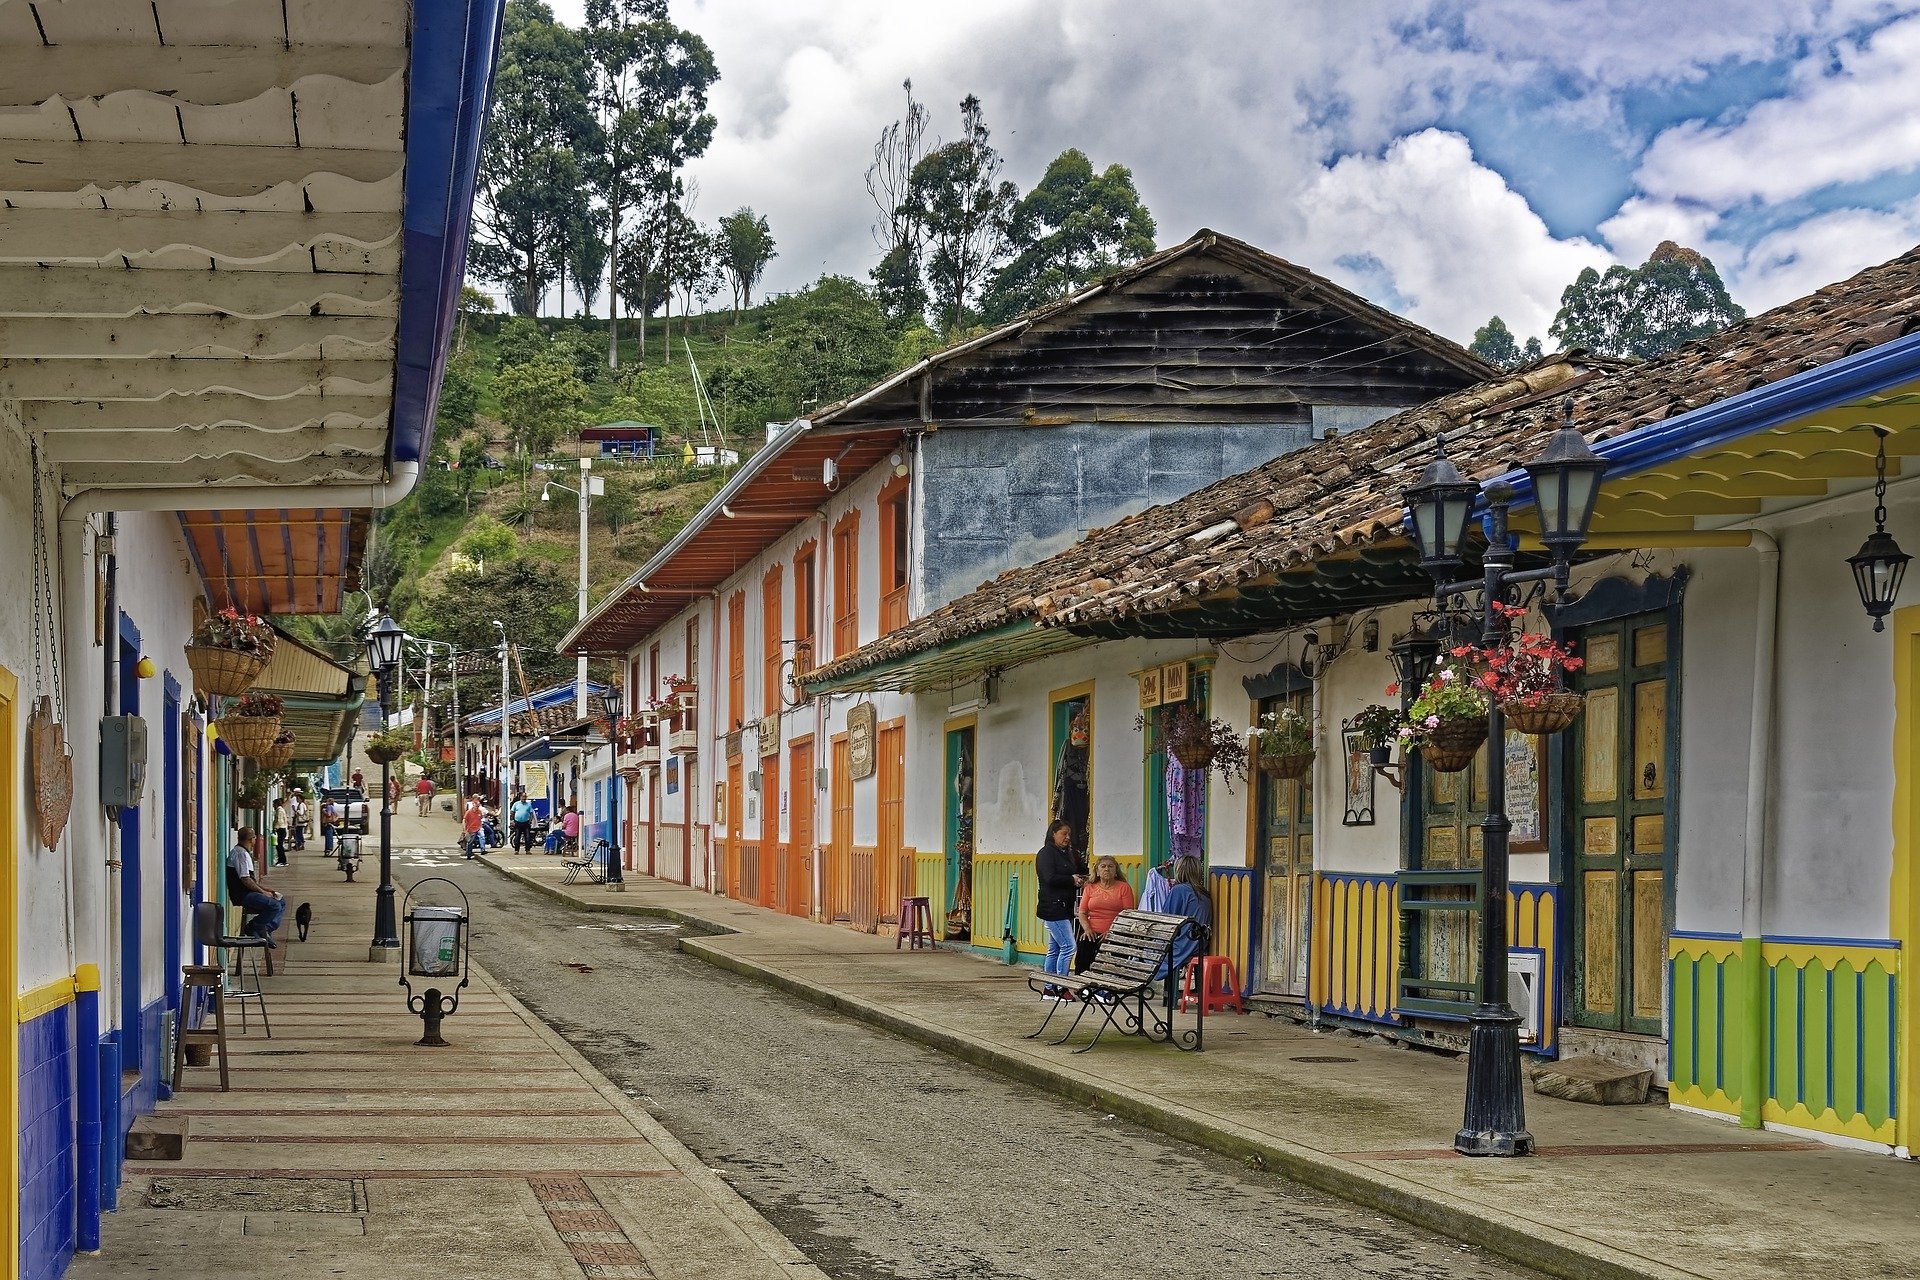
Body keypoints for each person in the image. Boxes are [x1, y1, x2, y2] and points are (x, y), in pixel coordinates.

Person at [1035, 820, 1082, 995]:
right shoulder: (1046, 853)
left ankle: (1049, 988)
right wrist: (1071, 879)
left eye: (1069, 834)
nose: (1067, 837)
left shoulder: (1065, 853)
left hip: (1065, 906)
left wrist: (1078, 880)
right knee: (1069, 947)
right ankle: (1061, 988)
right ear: (1053, 833)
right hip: (1053, 908)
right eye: (1064, 833)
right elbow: (1049, 878)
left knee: (1054, 949)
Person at [1074, 855, 1135, 973]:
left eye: (1111, 866)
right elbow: (1082, 913)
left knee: (1117, 956)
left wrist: (1112, 932)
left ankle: (1112, 987)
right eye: (1103, 866)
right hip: (1093, 931)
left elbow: (1128, 915)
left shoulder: (1124, 888)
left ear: (1116, 871)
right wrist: (1087, 929)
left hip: (1117, 932)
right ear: (1097, 871)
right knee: (1084, 946)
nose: (1107, 869)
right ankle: (1082, 986)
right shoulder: (1090, 888)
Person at [225, 827, 285, 946]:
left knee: (281, 900)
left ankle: (266, 929)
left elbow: (250, 880)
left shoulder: (244, 852)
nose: (255, 839)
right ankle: (254, 927)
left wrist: (264, 889)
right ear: (251, 839)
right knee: (274, 906)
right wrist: (262, 893)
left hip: (249, 892)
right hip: (243, 895)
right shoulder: (240, 854)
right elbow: (246, 880)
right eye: (254, 837)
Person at [1158, 855, 1213, 985]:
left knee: (1149, 953)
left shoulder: (1179, 890)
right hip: (1200, 944)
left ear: (1179, 870)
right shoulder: (1204, 893)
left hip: (1183, 944)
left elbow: (1166, 918)